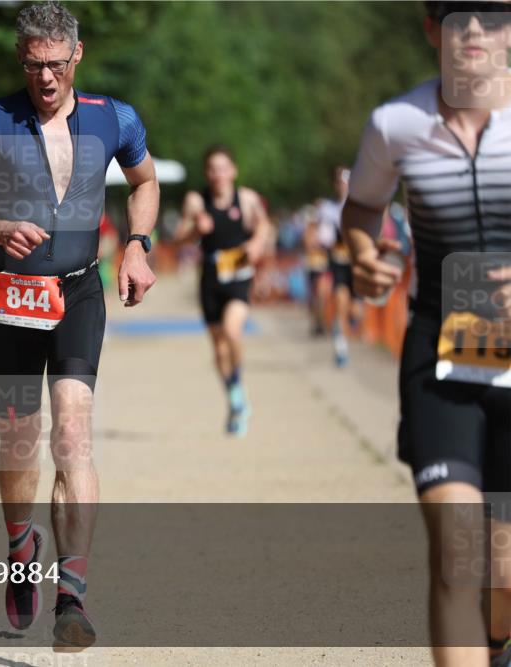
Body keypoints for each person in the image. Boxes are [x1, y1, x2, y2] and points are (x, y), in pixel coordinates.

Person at [0, 1, 159, 651]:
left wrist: (139, 243)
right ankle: (19, 543)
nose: (47, 79)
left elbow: (145, 181)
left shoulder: (113, 118)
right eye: (34, 66)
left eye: (57, 65)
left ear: (76, 56)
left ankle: (73, 597)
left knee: (73, 433)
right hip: (10, 296)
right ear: (20, 60)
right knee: (19, 441)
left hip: (80, 290)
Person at [341, 3, 510, 665]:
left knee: (502, 574)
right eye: (456, 12)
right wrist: (363, 254)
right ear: (430, 26)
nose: (474, 28)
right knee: (456, 553)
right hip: (440, 357)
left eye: (492, 13)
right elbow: (361, 209)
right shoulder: (396, 124)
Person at [176, 145, 271, 436]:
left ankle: (238, 384)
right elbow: (180, 237)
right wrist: (195, 228)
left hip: (240, 273)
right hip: (210, 278)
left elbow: (264, 226)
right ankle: (234, 395)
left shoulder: (247, 198)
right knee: (218, 348)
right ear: (207, 173)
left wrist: (256, 243)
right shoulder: (196, 201)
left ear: (233, 170)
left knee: (232, 331)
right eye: (212, 169)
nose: (218, 174)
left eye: (223, 168)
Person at [317, 166, 363, 367]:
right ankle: (340, 345)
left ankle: (351, 323)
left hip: (357, 264)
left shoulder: (360, 207)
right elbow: (323, 237)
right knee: (340, 302)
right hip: (338, 263)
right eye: (339, 182)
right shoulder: (328, 209)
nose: (342, 186)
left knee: (356, 311)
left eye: (346, 182)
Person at [302, 202, 332, 336]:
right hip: (312, 266)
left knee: (322, 295)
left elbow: (330, 245)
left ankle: (322, 321)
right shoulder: (309, 230)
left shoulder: (326, 229)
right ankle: (316, 322)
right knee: (314, 297)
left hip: (324, 267)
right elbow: (308, 246)